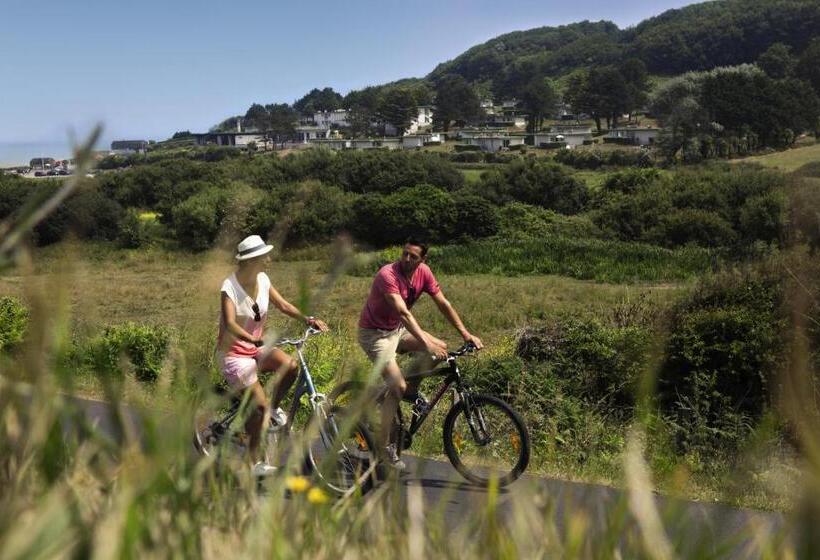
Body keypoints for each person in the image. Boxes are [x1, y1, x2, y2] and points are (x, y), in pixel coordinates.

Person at [358, 238, 483, 470]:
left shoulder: (423, 272)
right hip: (374, 334)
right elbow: (404, 313)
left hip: (396, 330)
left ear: (422, 260)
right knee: (399, 385)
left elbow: (443, 303)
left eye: (413, 256)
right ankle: (384, 446)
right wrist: (426, 342)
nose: (406, 259)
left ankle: (408, 389)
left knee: (440, 350)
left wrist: (466, 334)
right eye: (404, 253)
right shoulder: (388, 274)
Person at [217, 234, 328, 476]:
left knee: (289, 365)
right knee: (258, 408)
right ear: (251, 260)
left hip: (255, 348)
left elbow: (284, 305)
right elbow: (229, 323)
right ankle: (252, 463)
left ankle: (273, 410)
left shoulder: (263, 279)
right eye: (263, 256)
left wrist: (308, 319)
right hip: (234, 354)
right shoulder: (229, 287)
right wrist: (252, 338)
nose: (268, 259)